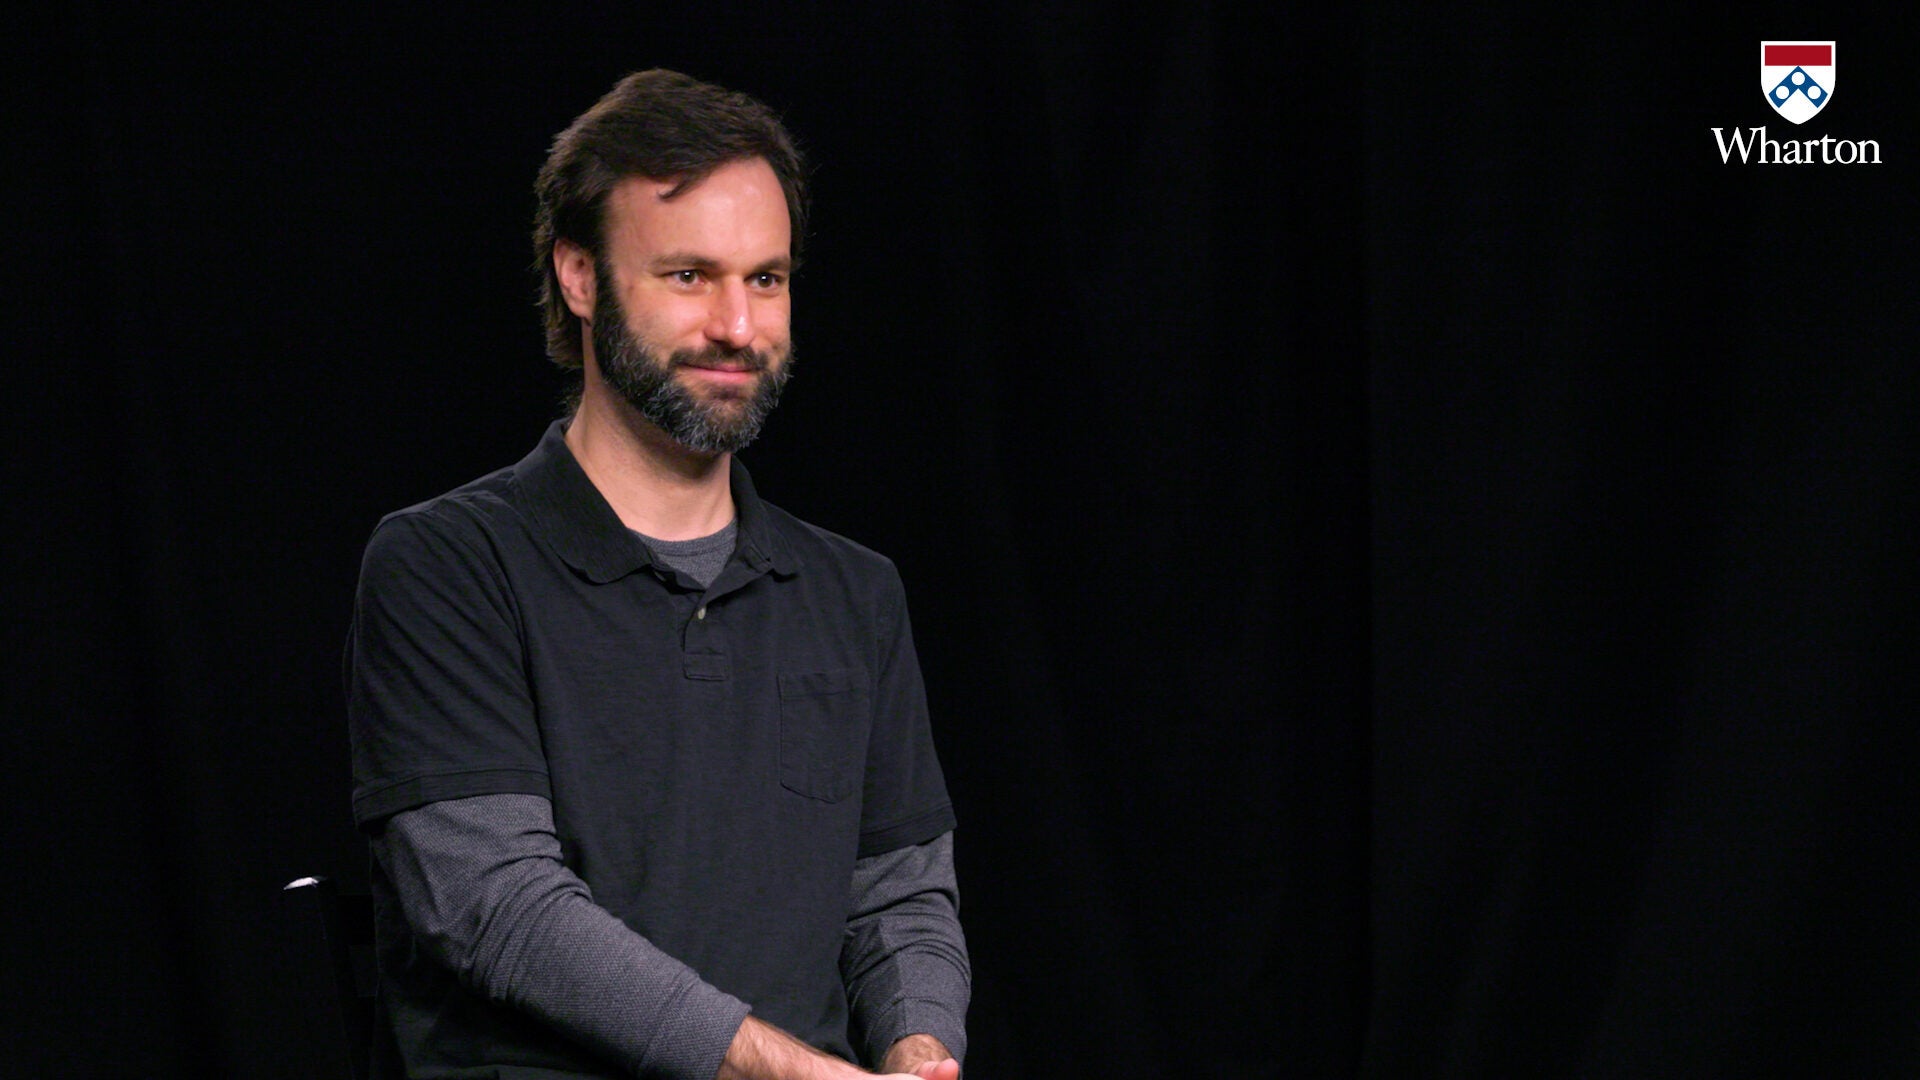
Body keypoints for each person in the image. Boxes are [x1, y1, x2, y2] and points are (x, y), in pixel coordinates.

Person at [346, 69, 968, 1080]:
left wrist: (919, 1052)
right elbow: (496, 906)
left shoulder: (855, 594)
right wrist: (789, 1070)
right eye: (689, 276)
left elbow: (899, 894)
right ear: (582, 278)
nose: (738, 325)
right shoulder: (446, 566)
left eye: (765, 279)